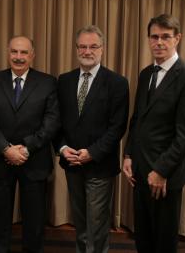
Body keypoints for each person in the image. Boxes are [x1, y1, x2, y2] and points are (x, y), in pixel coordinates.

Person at [123, 14, 185, 253]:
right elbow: (137, 118)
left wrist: (161, 171)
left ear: (177, 38)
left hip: (166, 173)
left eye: (165, 37)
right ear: (149, 39)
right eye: (154, 37)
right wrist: (128, 154)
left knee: (164, 241)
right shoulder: (146, 73)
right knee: (143, 237)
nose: (159, 42)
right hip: (139, 169)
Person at [0, 36, 60, 253]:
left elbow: (51, 122)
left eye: (24, 52)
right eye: (14, 52)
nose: (18, 57)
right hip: (0, 160)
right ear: (8, 53)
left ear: (32, 55)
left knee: (34, 223)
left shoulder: (48, 82)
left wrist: (25, 148)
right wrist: (6, 148)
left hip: (34, 161)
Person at [54, 25, 129, 253]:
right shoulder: (64, 81)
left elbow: (117, 128)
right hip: (72, 163)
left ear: (102, 49)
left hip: (100, 164)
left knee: (96, 224)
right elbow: (56, 121)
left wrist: (91, 153)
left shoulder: (117, 82)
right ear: (76, 48)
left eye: (93, 46)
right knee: (81, 221)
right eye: (83, 46)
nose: (87, 51)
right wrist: (63, 148)